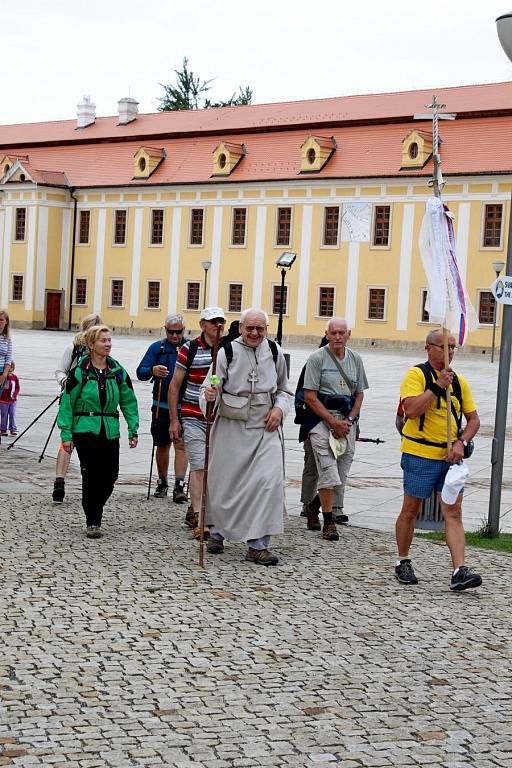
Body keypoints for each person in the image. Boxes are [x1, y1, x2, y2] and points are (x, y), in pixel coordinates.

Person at [202, 308, 292, 565]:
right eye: (249, 328)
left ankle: (258, 544)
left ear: (266, 329)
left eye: (260, 329)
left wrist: (279, 409)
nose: (254, 333)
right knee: (227, 483)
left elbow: (285, 389)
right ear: (240, 328)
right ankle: (218, 531)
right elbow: (212, 385)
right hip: (232, 426)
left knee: (268, 482)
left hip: (265, 427)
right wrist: (209, 396)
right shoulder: (226, 352)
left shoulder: (274, 352)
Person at [394, 329, 482, 591]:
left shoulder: (459, 381)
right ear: (429, 348)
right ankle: (403, 560)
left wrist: (461, 442)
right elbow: (410, 409)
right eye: (445, 347)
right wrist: (436, 387)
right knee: (411, 510)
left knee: (453, 512)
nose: (450, 352)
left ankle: (459, 570)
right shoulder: (416, 375)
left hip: (450, 459)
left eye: (454, 347)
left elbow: (474, 420)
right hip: (420, 454)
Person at [57, 325, 139, 539]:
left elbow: (128, 400)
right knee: (91, 475)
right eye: (103, 340)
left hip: (110, 429)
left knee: (111, 475)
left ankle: (95, 506)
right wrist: (66, 434)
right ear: (91, 345)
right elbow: (67, 403)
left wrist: (133, 428)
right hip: (85, 429)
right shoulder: (79, 372)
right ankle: (93, 520)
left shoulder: (117, 370)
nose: (108, 344)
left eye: (109, 340)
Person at [303, 317, 368, 542]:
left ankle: (313, 506)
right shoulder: (317, 359)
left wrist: (349, 420)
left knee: (339, 474)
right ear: (327, 334)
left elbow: (359, 393)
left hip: (346, 421)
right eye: (334, 333)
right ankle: (328, 521)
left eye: (342, 333)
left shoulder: (356, 359)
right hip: (321, 420)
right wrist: (332, 422)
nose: (338, 337)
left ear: (348, 334)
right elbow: (310, 397)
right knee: (328, 471)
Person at [168, 307, 226, 537]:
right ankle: (202, 522)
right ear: (202, 324)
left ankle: (205, 512)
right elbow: (174, 386)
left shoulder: (228, 350)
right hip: (193, 416)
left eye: (221, 321)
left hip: (220, 419)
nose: (217, 325)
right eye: (213, 322)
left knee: (216, 470)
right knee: (200, 467)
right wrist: (174, 420)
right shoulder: (189, 349)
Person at [136, 314, 188, 501]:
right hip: (161, 405)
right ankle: (162, 481)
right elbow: (140, 372)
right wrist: (152, 370)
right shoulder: (157, 348)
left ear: (184, 330)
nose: (174, 336)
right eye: (171, 332)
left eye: (178, 332)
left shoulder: (190, 348)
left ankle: (180, 485)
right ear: (165, 330)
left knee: (181, 444)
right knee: (162, 444)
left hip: (185, 406)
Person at [52, 313, 101, 503]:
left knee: (81, 442)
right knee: (67, 439)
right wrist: (66, 383)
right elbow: (59, 371)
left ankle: (83, 482)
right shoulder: (73, 348)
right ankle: (60, 481)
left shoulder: (99, 350)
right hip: (73, 401)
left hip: (92, 404)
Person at [0, 360, 20, 436]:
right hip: (3, 400)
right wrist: (6, 376)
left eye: (12, 367)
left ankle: (13, 429)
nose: (10, 369)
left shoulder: (15, 378)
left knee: (12, 413)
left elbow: (17, 388)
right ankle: (3, 429)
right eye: (9, 367)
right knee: (4, 415)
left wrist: (14, 395)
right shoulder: (3, 377)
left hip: (13, 400)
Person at [0, 309, 13, 399]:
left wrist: (4, 375)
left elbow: (8, 358)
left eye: (1, 320)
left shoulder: (7, 339)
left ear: (6, 322)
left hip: (1, 372)